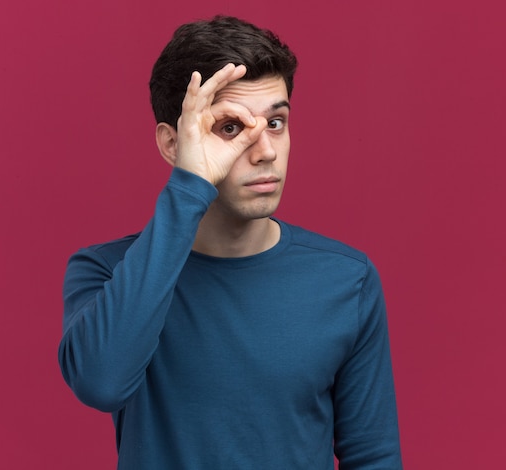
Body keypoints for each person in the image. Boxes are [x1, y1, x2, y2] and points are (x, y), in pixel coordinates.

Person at [58, 15, 402, 469]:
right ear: (172, 144)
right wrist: (189, 186)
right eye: (230, 128)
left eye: (276, 122)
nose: (265, 152)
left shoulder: (347, 280)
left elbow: (373, 456)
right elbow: (101, 383)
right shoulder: (106, 271)